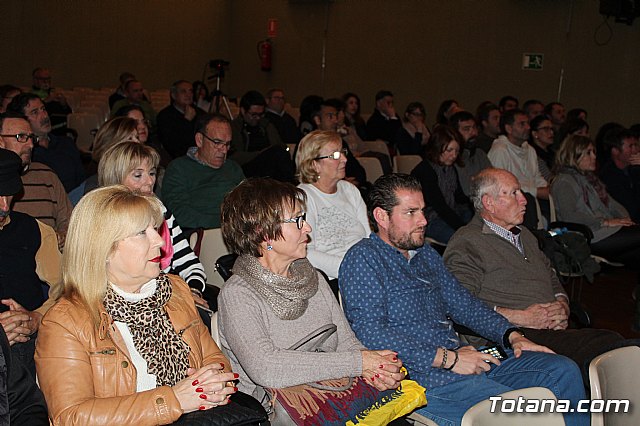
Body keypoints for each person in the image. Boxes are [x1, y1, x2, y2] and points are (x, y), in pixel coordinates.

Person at [339, 173, 588, 426]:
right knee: (522, 413)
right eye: (411, 213)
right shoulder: (363, 259)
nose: (423, 221)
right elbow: (371, 333)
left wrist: (512, 335)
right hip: (423, 379)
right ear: (382, 217)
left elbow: (464, 305)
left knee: (560, 371)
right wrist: (449, 359)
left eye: (422, 211)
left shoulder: (424, 254)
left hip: (464, 363)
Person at [35, 185, 240, 424]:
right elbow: (70, 416)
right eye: (142, 232)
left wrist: (212, 383)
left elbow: (214, 359)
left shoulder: (174, 291)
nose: (159, 241)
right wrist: (173, 400)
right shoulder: (65, 322)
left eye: (155, 229)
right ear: (103, 249)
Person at [217, 177, 404, 417]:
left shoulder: (312, 277)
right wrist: (359, 363)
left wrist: (376, 371)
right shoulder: (238, 294)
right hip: (281, 412)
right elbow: (267, 368)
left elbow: (347, 343)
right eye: (297, 220)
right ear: (262, 233)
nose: (307, 228)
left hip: (333, 396)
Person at [444, 168, 625, 382]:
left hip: (551, 329)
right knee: (608, 347)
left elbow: (551, 277)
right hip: (511, 336)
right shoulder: (467, 242)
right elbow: (458, 304)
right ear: (489, 203)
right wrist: (518, 317)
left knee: (611, 347)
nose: (524, 200)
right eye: (514, 193)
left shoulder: (525, 235)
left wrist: (562, 306)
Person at [98, 142, 208, 301]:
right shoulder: (102, 223)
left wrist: (193, 292)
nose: (149, 181)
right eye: (138, 175)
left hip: (168, 298)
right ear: (115, 179)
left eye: (152, 173)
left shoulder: (163, 214)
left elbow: (191, 265)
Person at [0, 148, 62, 377]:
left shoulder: (34, 230)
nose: (5, 206)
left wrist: (37, 317)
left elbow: (66, 289)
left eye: (9, 195)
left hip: (29, 347)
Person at [551, 134, 640, 266]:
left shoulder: (590, 179)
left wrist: (624, 219)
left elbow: (612, 204)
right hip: (589, 235)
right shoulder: (564, 181)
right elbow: (570, 216)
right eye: (588, 153)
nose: (594, 157)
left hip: (604, 231)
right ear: (573, 155)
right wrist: (605, 222)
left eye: (594, 152)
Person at [295, 130, 370, 284]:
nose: (344, 159)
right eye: (335, 155)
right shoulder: (303, 197)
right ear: (314, 164)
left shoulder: (350, 190)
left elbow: (368, 237)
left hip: (364, 270)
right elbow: (306, 252)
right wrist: (350, 268)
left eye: (342, 152)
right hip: (332, 279)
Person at [0, 112, 72, 248]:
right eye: (21, 137)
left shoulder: (47, 175)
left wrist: (60, 237)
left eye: (31, 138)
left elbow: (70, 222)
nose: (31, 145)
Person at [161, 113, 244, 230]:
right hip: (202, 232)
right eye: (217, 143)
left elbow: (248, 202)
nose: (224, 150)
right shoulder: (178, 169)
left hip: (237, 230)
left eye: (227, 144)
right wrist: (224, 223)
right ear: (199, 140)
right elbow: (178, 213)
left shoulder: (233, 168)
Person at [8, 93, 85, 192]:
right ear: (22, 121)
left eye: (43, 109)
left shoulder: (66, 143)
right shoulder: (24, 153)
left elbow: (82, 180)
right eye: (35, 112)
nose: (44, 116)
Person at [411, 126, 472, 243]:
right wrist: (463, 228)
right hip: (430, 218)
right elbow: (439, 206)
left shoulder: (450, 169)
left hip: (450, 211)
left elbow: (459, 197)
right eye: (449, 150)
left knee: (471, 215)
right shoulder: (425, 171)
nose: (454, 155)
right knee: (462, 239)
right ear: (437, 148)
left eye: (457, 151)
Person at [68, 116, 140, 204]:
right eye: (130, 139)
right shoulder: (93, 190)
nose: (138, 143)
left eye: (137, 137)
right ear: (111, 146)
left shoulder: (142, 178)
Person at [230, 90, 294, 182]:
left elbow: (279, 145)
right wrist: (261, 153)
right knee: (276, 154)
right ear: (243, 111)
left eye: (260, 114)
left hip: (269, 164)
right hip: (247, 166)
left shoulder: (266, 125)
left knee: (280, 154)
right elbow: (234, 156)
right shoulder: (235, 128)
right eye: (253, 114)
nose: (257, 118)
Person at [157, 80, 205, 159]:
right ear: (173, 95)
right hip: (178, 158)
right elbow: (172, 144)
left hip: (201, 155)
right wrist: (186, 121)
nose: (188, 95)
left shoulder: (200, 113)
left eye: (190, 91)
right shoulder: (164, 116)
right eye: (183, 91)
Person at [600, 128, 640, 222]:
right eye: (631, 146)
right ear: (615, 151)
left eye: (636, 145)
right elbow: (631, 209)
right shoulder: (608, 176)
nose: (636, 150)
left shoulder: (634, 169)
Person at [529, 114, 556, 181]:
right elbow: (548, 178)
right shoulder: (532, 154)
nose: (551, 132)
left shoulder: (552, 152)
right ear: (535, 134)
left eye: (552, 129)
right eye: (546, 129)